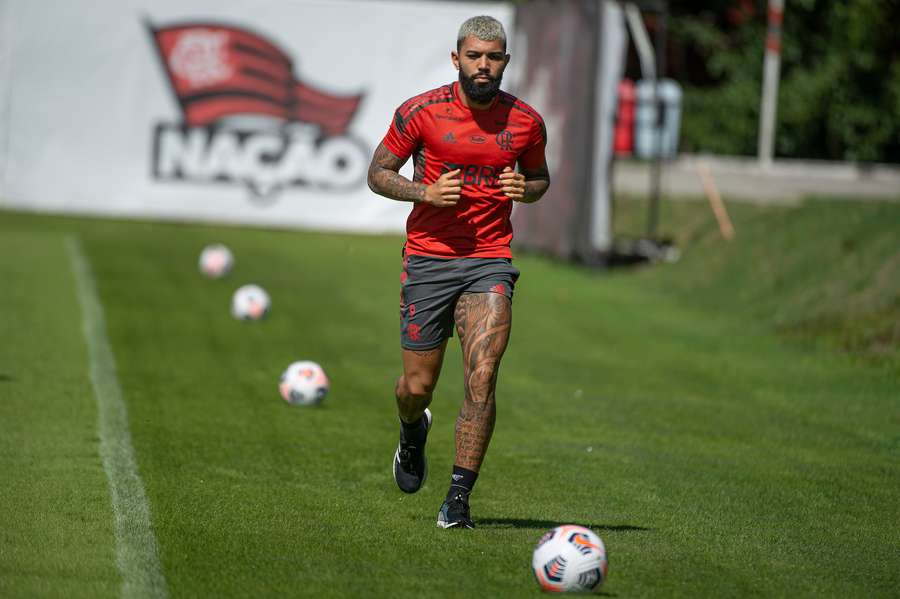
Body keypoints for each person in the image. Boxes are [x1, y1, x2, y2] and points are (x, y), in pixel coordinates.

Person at [367, 15, 550, 529]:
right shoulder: (421, 112)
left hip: (489, 260)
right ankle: (411, 432)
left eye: (493, 57)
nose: (484, 65)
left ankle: (458, 501)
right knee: (417, 388)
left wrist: (526, 190)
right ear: (457, 59)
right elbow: (377, 172)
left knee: (483, 376)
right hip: (428, 259)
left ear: (506, 62)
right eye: (474, 56)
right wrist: (424, 192)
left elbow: (539, 178)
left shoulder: (526, 123)